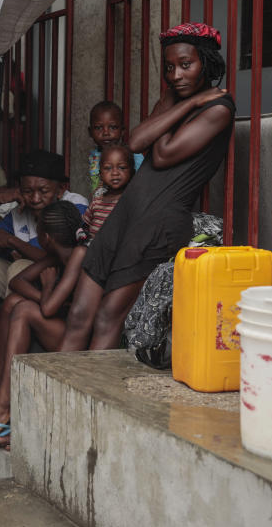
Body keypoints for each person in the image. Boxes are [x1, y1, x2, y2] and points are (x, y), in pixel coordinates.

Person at [60, 22, 235, 352]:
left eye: (186, 64)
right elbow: (137, 141)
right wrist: (184, 103)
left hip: (159, 221)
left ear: (207, 63)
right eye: (170, 67)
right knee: (80, 313)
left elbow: (164, 153)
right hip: (128, 212)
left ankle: (95, 398)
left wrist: (186, 105)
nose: (176, 75)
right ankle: (52, 403)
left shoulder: (219, 109)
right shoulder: (181, 99)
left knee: (108, 316)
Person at [0, 202, 87, 447]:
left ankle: (4, 405)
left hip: (79, 342)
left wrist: (49, 287)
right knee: (12, 302)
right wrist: (47, 295)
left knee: (23, 309)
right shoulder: (55, 256)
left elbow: (49, 308)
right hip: (60, 326)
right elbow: (18, 282)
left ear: (46, 237)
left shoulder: (78, 255)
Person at [0, 149, 87, 320]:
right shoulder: (17, 214)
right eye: (28, 191)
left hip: (60, 288)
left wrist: (13, 242)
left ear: (61, 189)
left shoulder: (74, 205)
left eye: (43, 191)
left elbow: (63, 257)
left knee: (19, 266)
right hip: (33, 287)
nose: (35, 199)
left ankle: (21, 326)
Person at [86, 100, 144, 195]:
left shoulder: (133, 155)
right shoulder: (94, 156)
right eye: (98, 128)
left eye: (113, 127)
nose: (106, 133)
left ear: (122, 131)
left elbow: (142, 185)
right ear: (90, 132)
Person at [83, 144, 134, 239]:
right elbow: (85, 225)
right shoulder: (96, 201)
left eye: (122, 167)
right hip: (94, 249)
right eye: (108, 168)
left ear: (132, 172)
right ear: (100, 174)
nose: (115, 173)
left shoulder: (131, 201)